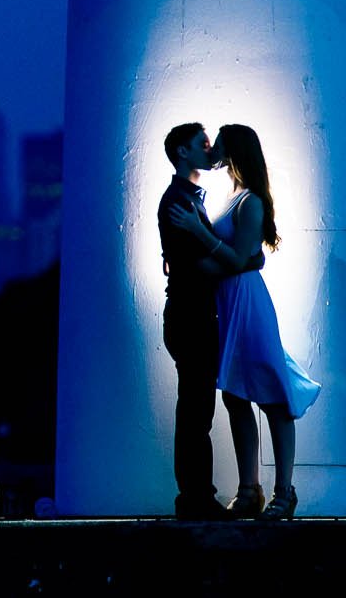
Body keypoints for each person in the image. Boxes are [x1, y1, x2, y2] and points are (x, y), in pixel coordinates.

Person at [209, 123, 323, 520]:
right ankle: (248, 489)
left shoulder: (250, 201)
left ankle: (283, 492)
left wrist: (197, 234)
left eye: (220, 143)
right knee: (235, 395)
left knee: (272, 395)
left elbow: (240, 257)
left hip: (246, 300)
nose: (214, 148)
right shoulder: (233, 195)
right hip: (229, 300)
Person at [154, 122, 253, 520]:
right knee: (195, 413)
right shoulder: (180, 201)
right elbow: (193, 266)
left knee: (196, 411)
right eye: (203, 144)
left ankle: (195, 496)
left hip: (193, 315)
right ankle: (195, 498)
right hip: (190, 316)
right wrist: (240, 263)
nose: (211, 151)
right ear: (182, 152)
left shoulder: (191, 198)